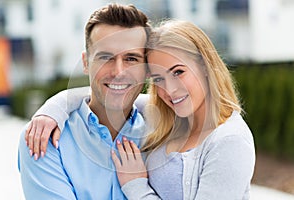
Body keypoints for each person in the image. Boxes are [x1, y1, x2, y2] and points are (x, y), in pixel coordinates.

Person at [24, 19, 255, 199]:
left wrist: (136, 187)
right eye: (158, 79)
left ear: (205, 66)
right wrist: (52, 110)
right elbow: (106, 94)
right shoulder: (167, 113)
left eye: (178, 72)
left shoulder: (229, 141)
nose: (170, 90)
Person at [18, 3, 152, 199]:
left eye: (131, 59)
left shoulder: (165, 134)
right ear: (86, 62)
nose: (118, 72)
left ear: (148, 69)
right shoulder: (43, 139)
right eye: (105, 57)